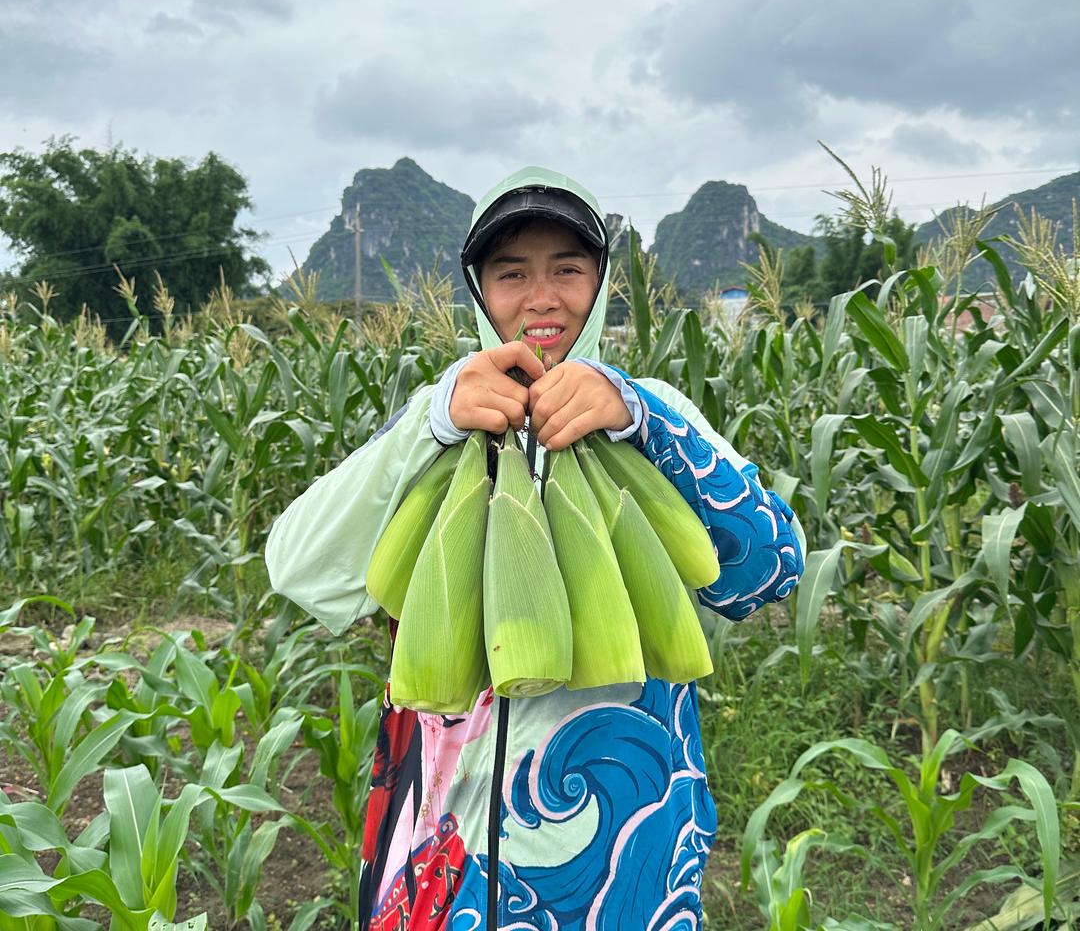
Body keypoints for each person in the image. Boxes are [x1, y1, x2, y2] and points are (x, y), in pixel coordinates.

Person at [265, 165, 807, 930]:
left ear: (603, 282)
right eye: (511, 272)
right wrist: (435, 422)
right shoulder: (435, 421)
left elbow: (771, 572)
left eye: (568, 269)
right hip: (440, 857)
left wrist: (637, 415)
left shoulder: (654, 416)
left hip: (620, 859)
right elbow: (297, 568)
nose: (542, 297)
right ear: (479, 290)